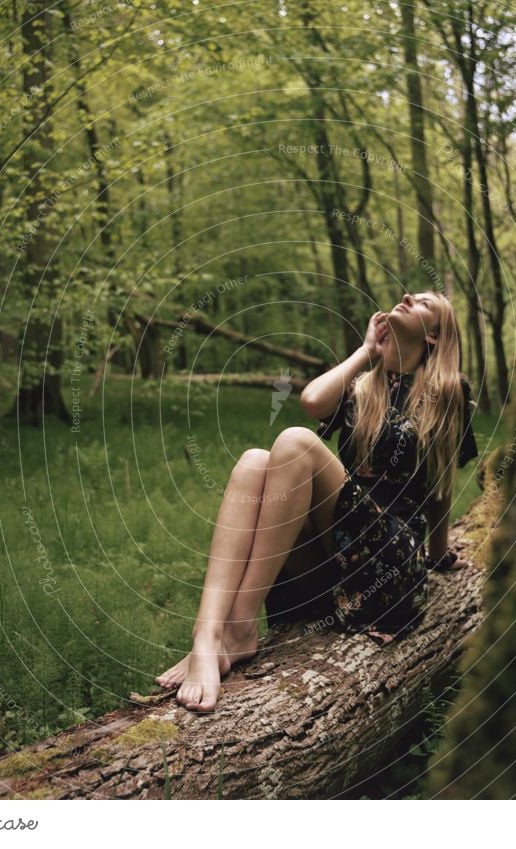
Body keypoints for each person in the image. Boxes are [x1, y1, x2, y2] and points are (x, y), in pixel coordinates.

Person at [155, 290, 479, 712]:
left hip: (387, 568)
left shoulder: (448, 391)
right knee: (254, 462)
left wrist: (437, 553)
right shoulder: (365, 386)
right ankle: (208, 632)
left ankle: (238, 628)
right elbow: (312, 400)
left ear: (434, 336)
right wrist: (366, 351)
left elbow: (440, 487)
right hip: (333, 563)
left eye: (422, 303)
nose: (405, 296)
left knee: (294, 442)